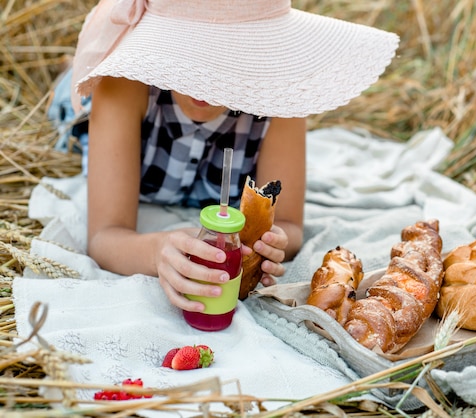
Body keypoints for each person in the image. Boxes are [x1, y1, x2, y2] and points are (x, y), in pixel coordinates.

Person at [68, 0, 399, 314]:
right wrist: (157, 251)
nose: (202, 87)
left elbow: (289, 225)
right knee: (71, 99)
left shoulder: (280, 98)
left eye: (227, 58)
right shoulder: (123, 86)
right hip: (97, 111)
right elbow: (104, 235)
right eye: (185, 57)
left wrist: (272, 244)